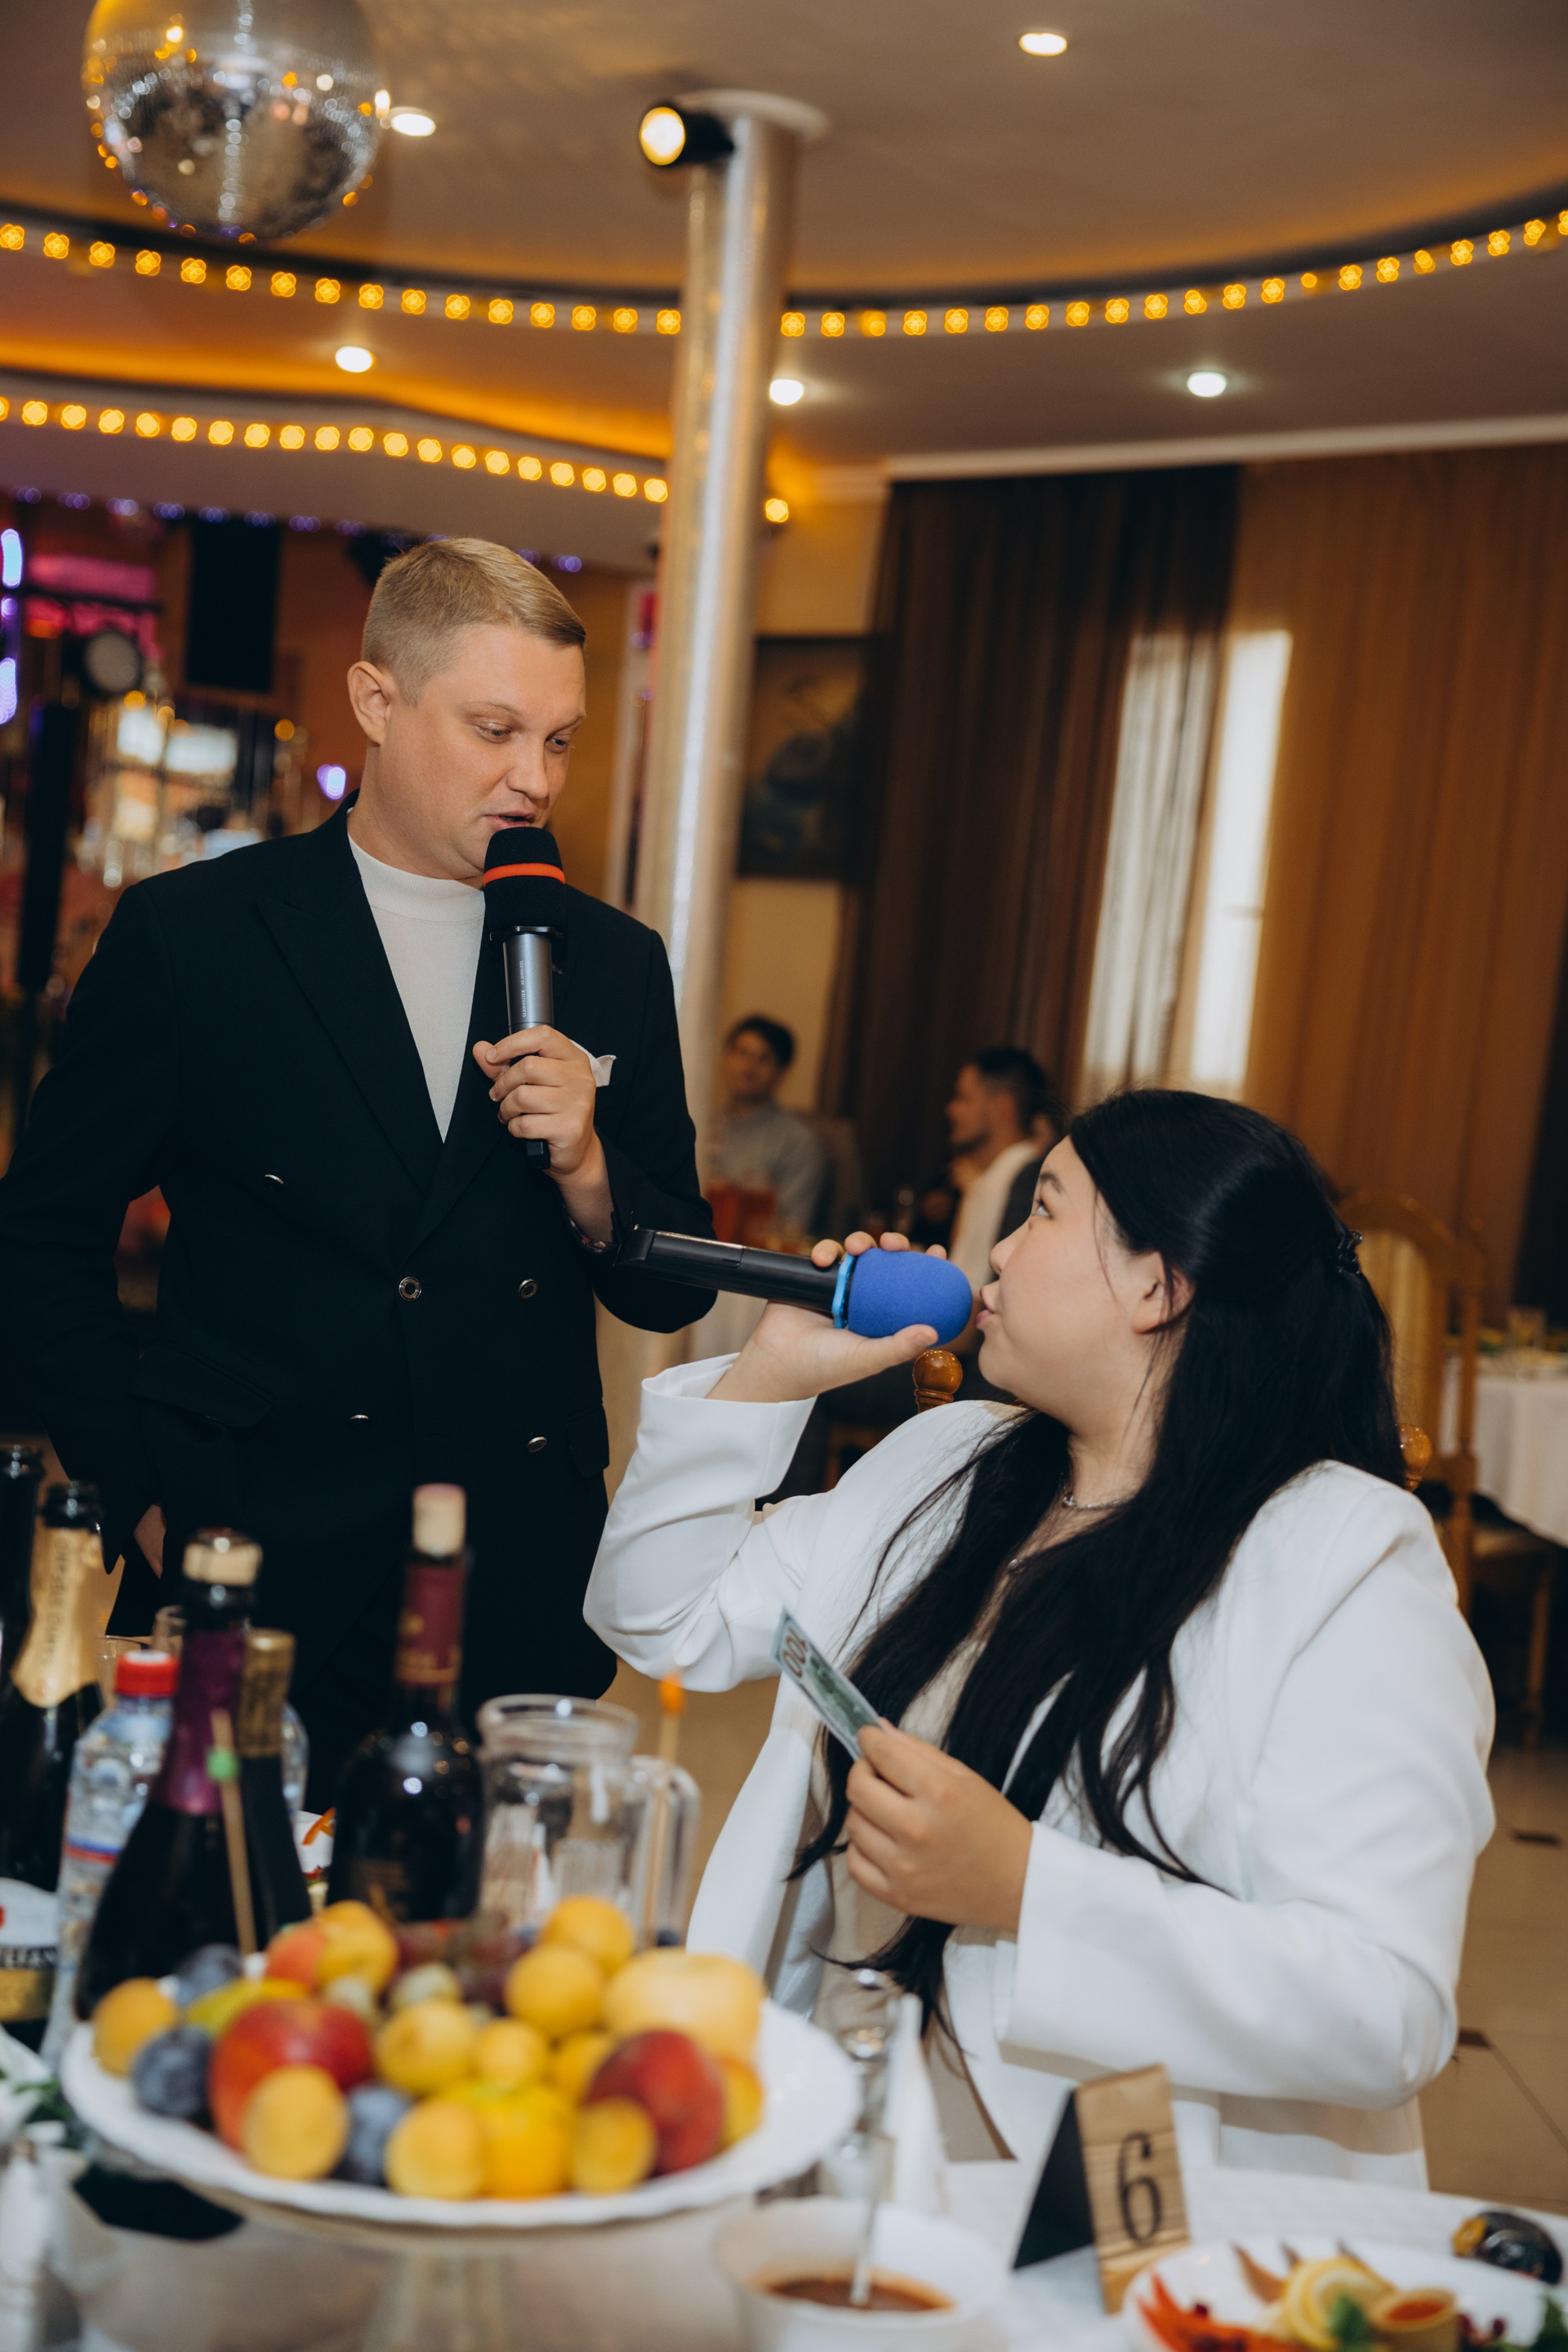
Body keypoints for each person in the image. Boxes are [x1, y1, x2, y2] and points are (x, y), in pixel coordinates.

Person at [586, 1089, 1494, 2183]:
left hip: (1099, 2200)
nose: (999, 1254)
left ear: (1158, 1286)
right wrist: (771, 1373)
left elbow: (1386, 2010)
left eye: (1043, 1211)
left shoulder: (1347, 1565)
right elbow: (658, 1615)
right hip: (842, 2111)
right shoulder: (955, 1461)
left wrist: (1024, 1886)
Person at [0, 538, 713, 1803]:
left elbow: (670, 1287)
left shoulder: (610, 962)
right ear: (377, 700)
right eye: (495, 730)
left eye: (559, 740)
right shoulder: (196, 939)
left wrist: (590, 1167)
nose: (534, 778)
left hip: (511, 1575)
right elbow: (42, 1241)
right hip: (256, 1552)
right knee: (227, 1905)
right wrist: (145, 1490)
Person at [942, 1045, 1064, 1298]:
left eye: (964, 1098)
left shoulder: (1021, 1178)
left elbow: (974, 1293)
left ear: (1002, 1106)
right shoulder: (989, 1175)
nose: (951, 1109)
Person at [710, 1015, 826, 1232]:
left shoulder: (797, 1142)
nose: (748, 1067)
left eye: (763, 1059)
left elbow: (793, 1225)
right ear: (726, 1057)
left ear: (781, 1070)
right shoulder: (701, 1125)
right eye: (742, 1053)